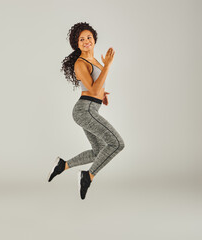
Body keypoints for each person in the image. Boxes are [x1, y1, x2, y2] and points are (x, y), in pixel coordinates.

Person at [47, 22, 125, 200]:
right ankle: (88, 176)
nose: (86, 41)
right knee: (117, 144)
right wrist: (107, 66)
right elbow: (91, 89)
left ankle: (63, 165)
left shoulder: (95, 61)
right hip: (85, 111)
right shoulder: (80, 64)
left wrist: (102, 95)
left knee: (99, 152)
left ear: (94, 39)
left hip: (90, 109)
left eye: (89, 37)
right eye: (81, 39)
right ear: (76, 44)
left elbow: (96, 88)